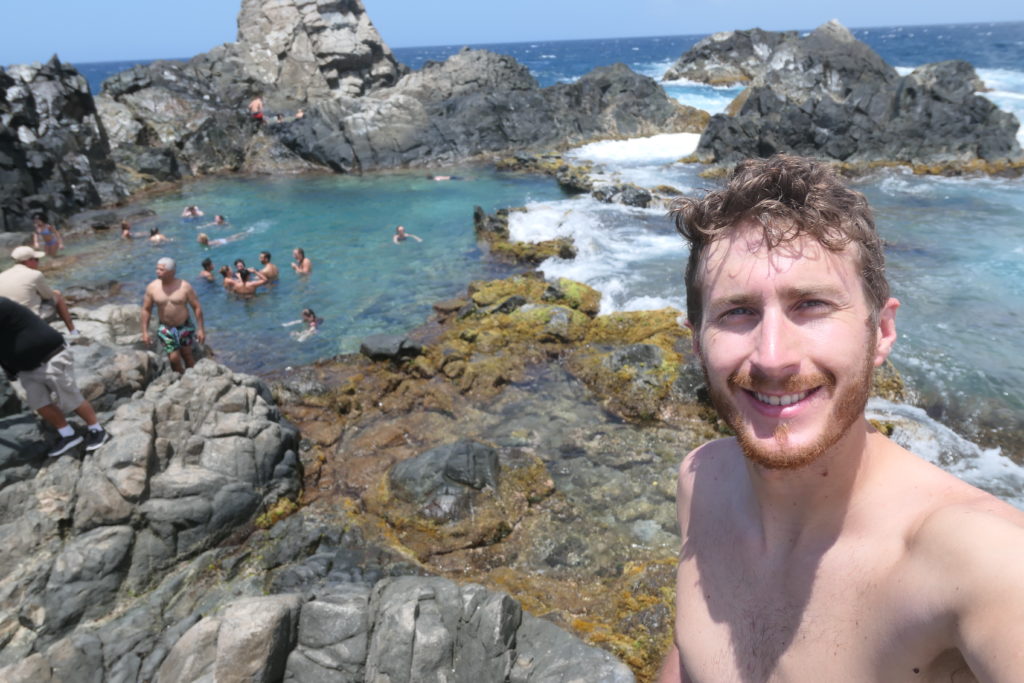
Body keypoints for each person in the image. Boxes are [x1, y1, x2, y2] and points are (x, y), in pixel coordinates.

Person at [657, 154, 1024, 682]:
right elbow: (691, 654)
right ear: (697, 343)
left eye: (810, 304)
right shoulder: (701, 482)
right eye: (737, 311)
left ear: (882, 331)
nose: (772, 357)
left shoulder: (976, 564)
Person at [0, 297, 110, 456]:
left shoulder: (1, 304)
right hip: (26, 369)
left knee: (70, 396)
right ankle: (68, 434)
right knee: (39, 403)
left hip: (50, 356)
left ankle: (97, 429)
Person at [141, 257, 205, 374]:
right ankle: (180, 377)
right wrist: (145, 332)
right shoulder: (152, 288)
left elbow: (197, 307)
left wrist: (201, 329)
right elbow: (146, 309)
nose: (157, 271)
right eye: (157, 269)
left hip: (184, 325)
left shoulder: (184, 286)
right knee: (174, 358)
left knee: (187, 354)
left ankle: (192, 378)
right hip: (166, 328)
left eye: (161, 269)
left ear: (172, 272)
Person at [0, 246, 77, 334]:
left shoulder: (2, 275)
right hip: (29, 321)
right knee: (57, 294)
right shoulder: (35, 274)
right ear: (29, 261)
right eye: (36, 259)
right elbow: (48, 296)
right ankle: (73, 332)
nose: (38, 263)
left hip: (7, 322)